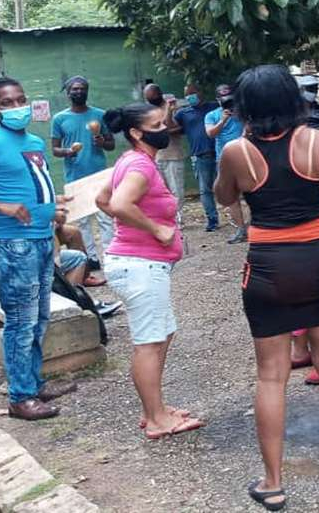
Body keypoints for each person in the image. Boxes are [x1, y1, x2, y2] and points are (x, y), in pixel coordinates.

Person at [214, 65, 319, 510]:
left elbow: (225, 197)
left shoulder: (236, 151)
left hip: (269, 267)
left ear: (244, 106)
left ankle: (273, 482)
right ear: (292, 99)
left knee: (271, 375)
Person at [94, 102, 204, 439]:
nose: (164, 127)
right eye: (156, 124)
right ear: (136, 133)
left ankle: (153, 408)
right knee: (148, 343)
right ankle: (157, 420)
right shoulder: (140, 165)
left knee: (162, 334)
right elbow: (118, 204)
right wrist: (156, 231)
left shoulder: (132, 161)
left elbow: (101, 199)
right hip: (140, 266)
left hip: (142, 265)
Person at [0, 76, 76, 420]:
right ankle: (20, 398)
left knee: (40, 317)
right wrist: (0, 207)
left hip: (42, 237)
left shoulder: (33, 141)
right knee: (21, 320)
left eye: (21, 99)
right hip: (13, 243)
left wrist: (54, 204)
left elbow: (36, 184)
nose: (18, 107)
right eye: (7, 103)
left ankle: (33, 383)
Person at [51, 76, 115, 281]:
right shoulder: (59, 119)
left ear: (87, 91)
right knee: (83, 223)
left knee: (106, 218)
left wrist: (102, 141)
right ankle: (91, 259)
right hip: (75, 176)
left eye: (82, 88)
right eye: (75, 89)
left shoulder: (100, 115)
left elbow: (111, 145)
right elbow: (55, 149)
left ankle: (110, 258)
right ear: (68, 93)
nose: (79, 92)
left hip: (99, 175)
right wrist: (68, 151)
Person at [174, 84, 221, 231]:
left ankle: (236, 218)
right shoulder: (183, 113)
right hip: (201, 155)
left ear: (200, 93)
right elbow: (170, 127)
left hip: (221, 152)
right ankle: (212, 220)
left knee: (230, 186)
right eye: (187, 94)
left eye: (192, 93)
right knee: (205, 190)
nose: (189, 97)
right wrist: (169, 110)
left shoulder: (214, 107)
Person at [205, 85, 248, 244]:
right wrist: (223, 119)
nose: (228, 102)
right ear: (218, 100)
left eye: (230, 98)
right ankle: (241, 229)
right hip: (224, 160)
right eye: (224, 99)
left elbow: (252, 127)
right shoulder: (212, 115)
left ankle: (261, 224)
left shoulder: (243, 111)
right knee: (231, 197)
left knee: (254, 190)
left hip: (246, 155)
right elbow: (210, 133)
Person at [142, 84, 186, 215]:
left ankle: (177, 218)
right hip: (156, 157)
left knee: (176, 190)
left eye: (153, 96)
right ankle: (167, 216)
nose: (151, 100)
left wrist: (168, 111)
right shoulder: (148, 111)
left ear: (160, 93)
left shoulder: (175, 106)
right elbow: (155, 130)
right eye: (148, 98)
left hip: (173, 155)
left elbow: (174, 128)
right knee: (161, 191)